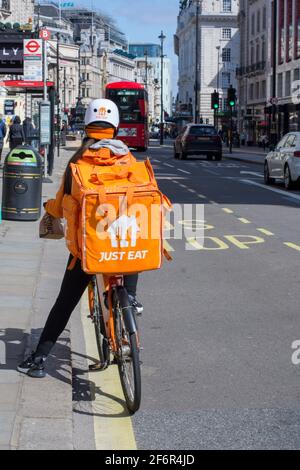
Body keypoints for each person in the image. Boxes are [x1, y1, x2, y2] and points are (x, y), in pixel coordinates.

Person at [18, 99, 144, 379]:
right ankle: (130, 300)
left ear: (87, 124)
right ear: (116, 127)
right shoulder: (129, 159)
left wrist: (49, 209)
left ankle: (39, 359)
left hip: (90, 249)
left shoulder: (79, 162)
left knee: (65, 301)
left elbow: (63, 202)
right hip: (124, 244)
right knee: (133, 251)